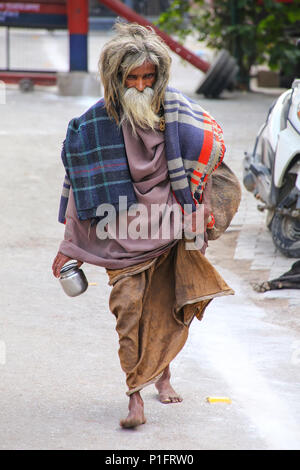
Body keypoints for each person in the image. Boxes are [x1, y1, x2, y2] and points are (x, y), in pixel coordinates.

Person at [52, 22, 234, 429]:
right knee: (129, 310)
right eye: (131, 78)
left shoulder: (181, 117)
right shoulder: (91, 127)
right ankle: (135, 395)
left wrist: (202, 215)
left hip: (172, 231)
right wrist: (68, 246)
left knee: (168, 308)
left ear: (160, 76)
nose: (140, 85)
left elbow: (209, 168)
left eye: (148, 76)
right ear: (116, 79)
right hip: (122, 238)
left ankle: (162, 374)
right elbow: (81, 190)